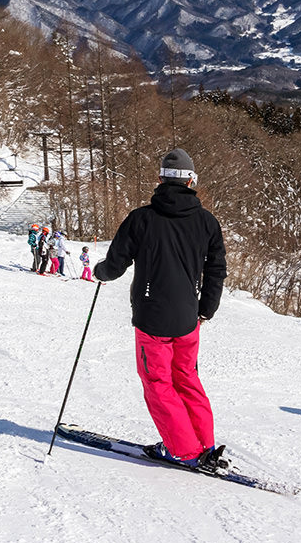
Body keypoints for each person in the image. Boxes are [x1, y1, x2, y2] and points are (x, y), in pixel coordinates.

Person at [94, 148, 228, 474]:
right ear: (192, 181)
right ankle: (204, 445)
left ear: (160, 180)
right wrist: (206, 309)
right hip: (188, 319)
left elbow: (115, 264)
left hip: (151, 318)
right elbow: (216, 270)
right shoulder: (207, 222)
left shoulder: (142, 219)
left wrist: (100, 273)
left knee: (158, 383)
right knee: (186, 379)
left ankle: (182, 451)